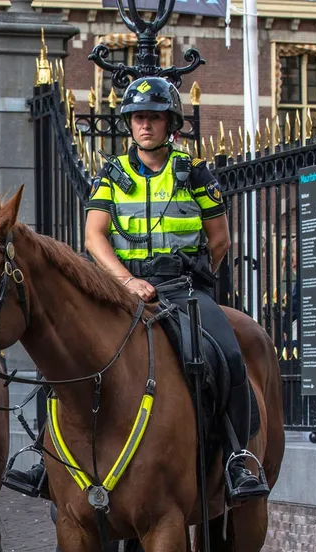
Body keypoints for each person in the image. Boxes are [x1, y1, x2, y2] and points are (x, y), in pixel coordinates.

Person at [83, 76, 269, 503]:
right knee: (75, 349)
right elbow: (95, 237)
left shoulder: (196, 174)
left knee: (228, 353)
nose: (144, 126)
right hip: (124, 289)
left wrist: (198, 279)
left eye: (154, 118)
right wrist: (127, 281)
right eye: (137, 118)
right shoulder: (111, 175)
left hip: (183, 289)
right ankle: (51, 461)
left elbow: (219, 239)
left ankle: (238, 458)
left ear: (171, 124)